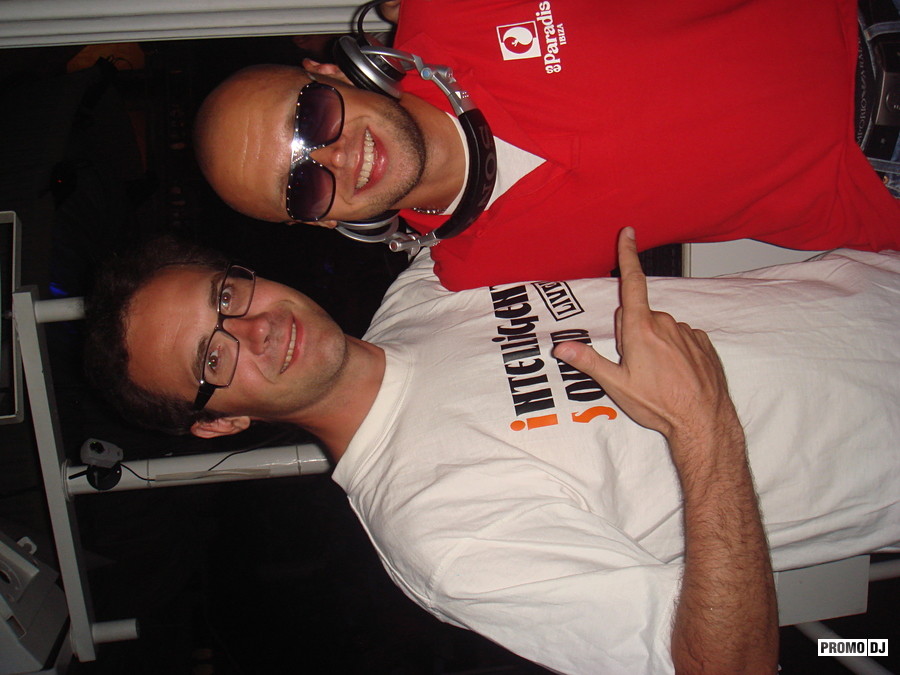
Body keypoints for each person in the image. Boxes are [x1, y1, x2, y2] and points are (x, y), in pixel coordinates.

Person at [84, 229, 900, 673]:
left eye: (226, 295)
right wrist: (703, 428)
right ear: (218, 425)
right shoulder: (439, 531)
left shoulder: (431, 285)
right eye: (213, 358)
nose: (256, 329)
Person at [193, 0, 900, 291]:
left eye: (311, 118)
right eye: (303, 184)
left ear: (324, 73)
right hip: (881, 190)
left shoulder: (451, 10)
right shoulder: (479, 278)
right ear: (318, 222)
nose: (338, 158)